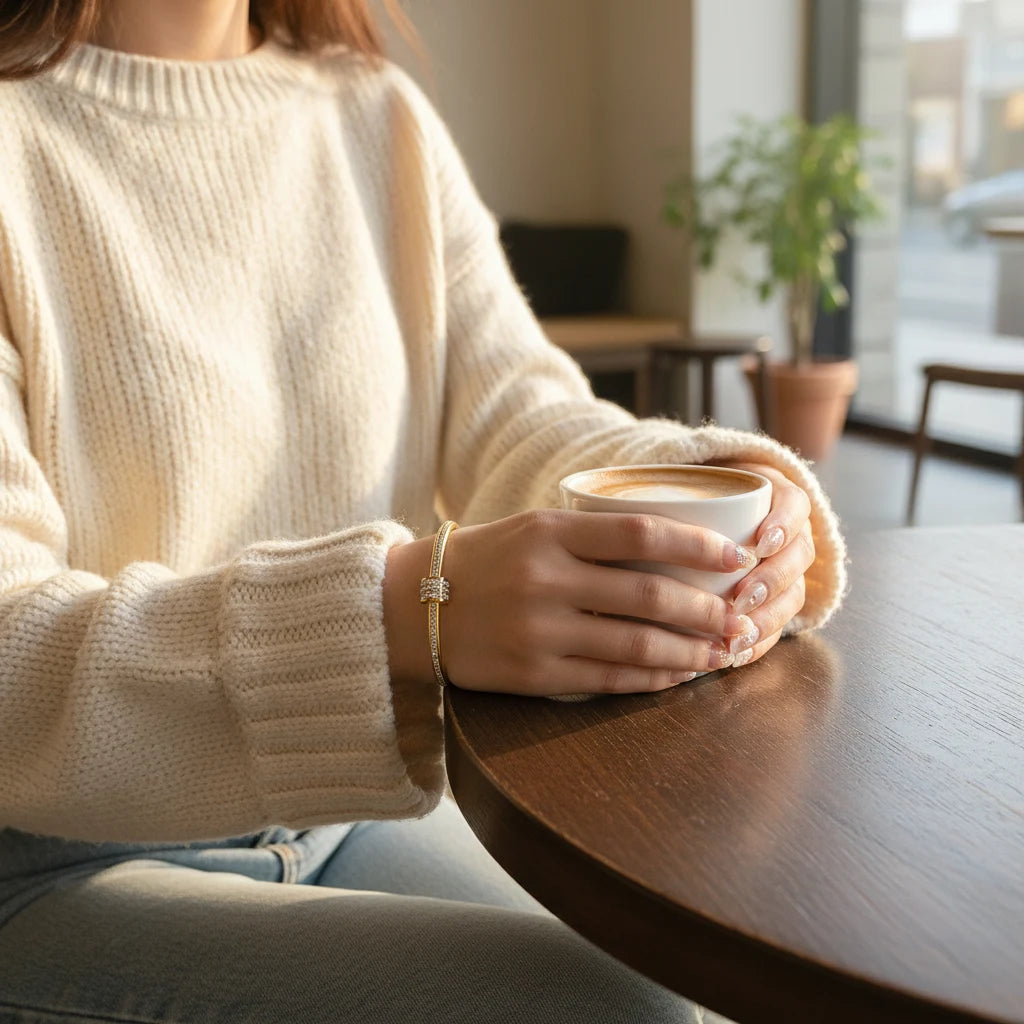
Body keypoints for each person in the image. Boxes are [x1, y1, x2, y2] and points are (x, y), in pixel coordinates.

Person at [0, 0, 847, 1020]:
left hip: (350, 810)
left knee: (709, 960)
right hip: (51, 866)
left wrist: (715, 488)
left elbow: (519, 412)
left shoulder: (375, 115)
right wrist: (409, 609)